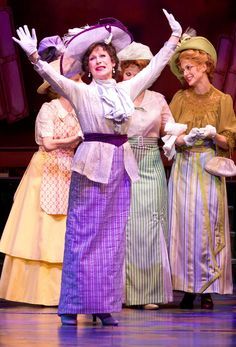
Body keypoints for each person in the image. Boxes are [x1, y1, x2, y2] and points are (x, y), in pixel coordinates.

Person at [12, 9, 182, 325]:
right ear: (88, 68)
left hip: (121, 165)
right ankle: (72, 305)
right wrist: (35, 56)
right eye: (93, 58)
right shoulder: (83, 91)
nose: (99, 60)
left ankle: (103, 305)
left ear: (114, 62)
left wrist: (174, 37)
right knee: (83, 236)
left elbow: (156, 66)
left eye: (104, 55)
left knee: (113, 239)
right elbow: (54, 78)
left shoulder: (125, 91)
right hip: (91, 164)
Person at [0, 59, 82, 305]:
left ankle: (69, 291)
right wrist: (74, 138)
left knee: (70, 227)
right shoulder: (49, 109)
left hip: (72, 168)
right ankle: (36, 291)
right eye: (73, 79)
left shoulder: (81, 109)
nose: (78, 83)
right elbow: (47, 143)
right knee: (40, 228)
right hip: (47, 167)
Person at [167, 34, 236, 309]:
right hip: (184, 168)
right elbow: (169, 134)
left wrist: (213, 135)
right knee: (183, 227)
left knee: (207, 229)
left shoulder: (222, 100)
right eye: (183, 69)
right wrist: (181, 140)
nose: (186, 73)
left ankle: (206, 287)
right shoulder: (179, 98)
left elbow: (230, 137)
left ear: (205, 65)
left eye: (190, 67)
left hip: (208, 168)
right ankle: (186, 287)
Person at [117, 42, 174, 309]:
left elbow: (170, 128)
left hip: (150, 164)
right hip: (123, 165)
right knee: (125, 228)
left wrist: (181, 137)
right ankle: (123, 293)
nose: (133, 78)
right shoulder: (116, 96)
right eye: (128, 73)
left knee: (150, 227)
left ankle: (149, 293)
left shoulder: (157, 99)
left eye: (138, 72)